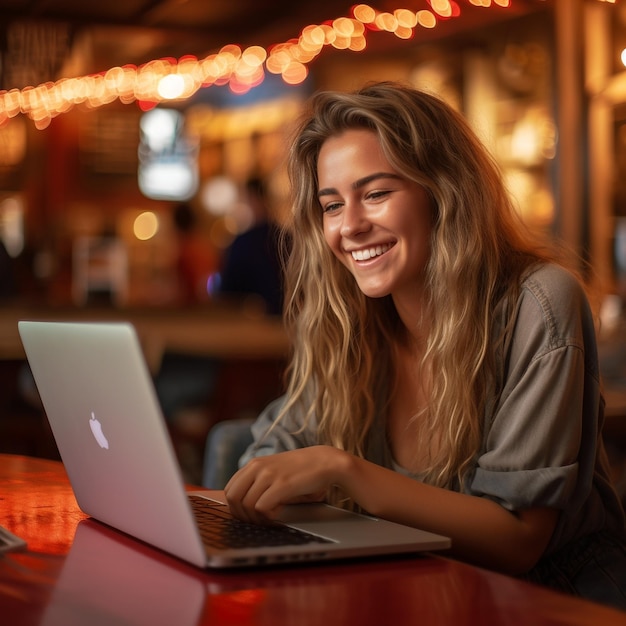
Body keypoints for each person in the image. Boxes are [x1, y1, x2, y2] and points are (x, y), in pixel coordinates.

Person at [222, 82, 626, 608]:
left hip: (550, 602)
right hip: (416, 593)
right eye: (331, 205)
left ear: (444, 190)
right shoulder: (352, 324)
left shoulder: (539, 302)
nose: (350, 227)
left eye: (376, 194)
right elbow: (267, 456)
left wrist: (344, 470)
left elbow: (518, 541)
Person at [218, 177, 286, 315]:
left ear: (251, 199)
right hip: (287, 319)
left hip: (252, 322)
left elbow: (227, 290)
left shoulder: (244, 242)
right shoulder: (286, 238)